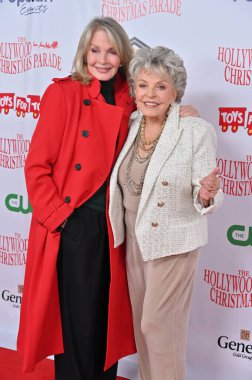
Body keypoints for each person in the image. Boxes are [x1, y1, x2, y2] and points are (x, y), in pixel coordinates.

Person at [17, 17, 200, 380]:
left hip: (116, 224)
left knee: (106, 320)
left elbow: (159, 107)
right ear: (84, 53)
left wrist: (182, 114)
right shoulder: (63, 93)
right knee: (77, 321)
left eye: (111, 51)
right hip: (76, 222)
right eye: (95, 50)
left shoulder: (129, 95)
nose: (102, 59)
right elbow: (37, 165)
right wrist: (58, 217)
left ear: (123, 56)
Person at [109, 46, 223, 380]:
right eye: (143, 85)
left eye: (161, 86)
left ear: (175, 91)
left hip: (174, 238)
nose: (150, 94)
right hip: (134, 236)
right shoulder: (131, 124)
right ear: (134, 90)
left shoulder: (194, 130)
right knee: (144, 328)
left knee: (158, 325)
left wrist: (205, 193)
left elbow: (207, 194)